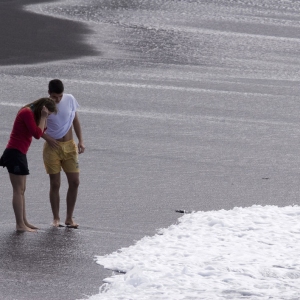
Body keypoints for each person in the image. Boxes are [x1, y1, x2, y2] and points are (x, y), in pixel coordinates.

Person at [0, 98, 57, 232]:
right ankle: (20, 224)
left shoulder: (31, 113)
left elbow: (42, 129)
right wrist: (43, 116)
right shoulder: (26, 112)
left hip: (20, 154)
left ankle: (24, 221)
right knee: (18, 190)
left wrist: (44, 117)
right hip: (14, 153)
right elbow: (37, 134)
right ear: (42, 109)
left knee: (22, 190)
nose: (47, 116)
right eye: (48, 114)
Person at [42, 79, 85, 228]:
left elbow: (75, 121)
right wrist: (47, 137)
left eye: (60, 96)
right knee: (55, 184)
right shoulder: (44, 106)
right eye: (54, 96)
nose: (58, 99)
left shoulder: (70, 99)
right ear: (49, 94)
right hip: (52, 148)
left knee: (75, 182)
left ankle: (69, 218)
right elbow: (37, 129)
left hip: (70, 147)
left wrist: (81, 140)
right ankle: (56, 218)